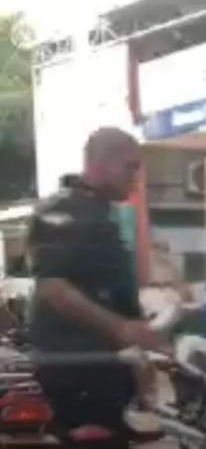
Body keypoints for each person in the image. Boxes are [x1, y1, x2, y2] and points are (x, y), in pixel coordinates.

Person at [29, 127, 169, 445]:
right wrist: (122, 329)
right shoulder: (59, 212)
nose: (136, 177)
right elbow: (54, 289)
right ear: (101, 164)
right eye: (130, 167)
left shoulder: (103, 213)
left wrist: (137, 354)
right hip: (75, 365)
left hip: (102, 365)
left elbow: (109, 294)